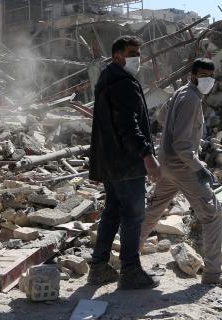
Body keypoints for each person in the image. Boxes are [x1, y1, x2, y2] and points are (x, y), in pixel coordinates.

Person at [139, 58, 222, 286]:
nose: (209, 81)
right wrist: (200, 168)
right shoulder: (192, 98)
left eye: (211, 76)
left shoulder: (180, 93)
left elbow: (162, 117)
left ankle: (128, 259)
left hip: (167, 164)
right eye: (204, 76)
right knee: (212, 214)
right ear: (193, 76)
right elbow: (183, 145)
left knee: (154, 210)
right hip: (183, 166)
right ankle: (213, 273)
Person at [87, 35, 161, 289]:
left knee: (113, 212)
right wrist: (147, 156)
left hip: (110, 162)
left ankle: (98, 268)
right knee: (133, 215)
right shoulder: (123, 84)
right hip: (126, 162)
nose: (137, 58)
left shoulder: (108, 78)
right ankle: (130, 270)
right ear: (118, 55)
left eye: (139, 53)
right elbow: (128, 125)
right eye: (132, 53)